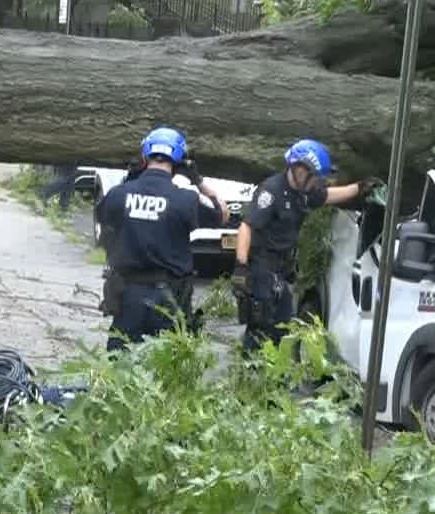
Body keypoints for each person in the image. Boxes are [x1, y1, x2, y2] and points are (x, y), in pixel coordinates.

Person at [232, 138, 379, 353]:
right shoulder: (271, 191)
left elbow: (328, 195)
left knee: (282, 327)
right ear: (300, 170)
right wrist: (240, 267)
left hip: (281, 271)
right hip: (261, 269)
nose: (315, 182)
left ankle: (274, 378)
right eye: (313, 177)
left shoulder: (303, 192)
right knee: (260, 327)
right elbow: (247, 226)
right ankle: (249, 374)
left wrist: (359, 188)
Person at [96, 126, 229, 352]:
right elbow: (222, 214)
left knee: (117, 366)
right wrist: (198, 180)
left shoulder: (121, 194)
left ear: (145, 156)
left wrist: (131, 177)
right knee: (164, 370)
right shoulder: (185, 199)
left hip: (128, 295)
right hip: (169, 299)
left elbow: (103, 214)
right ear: (178, 161)